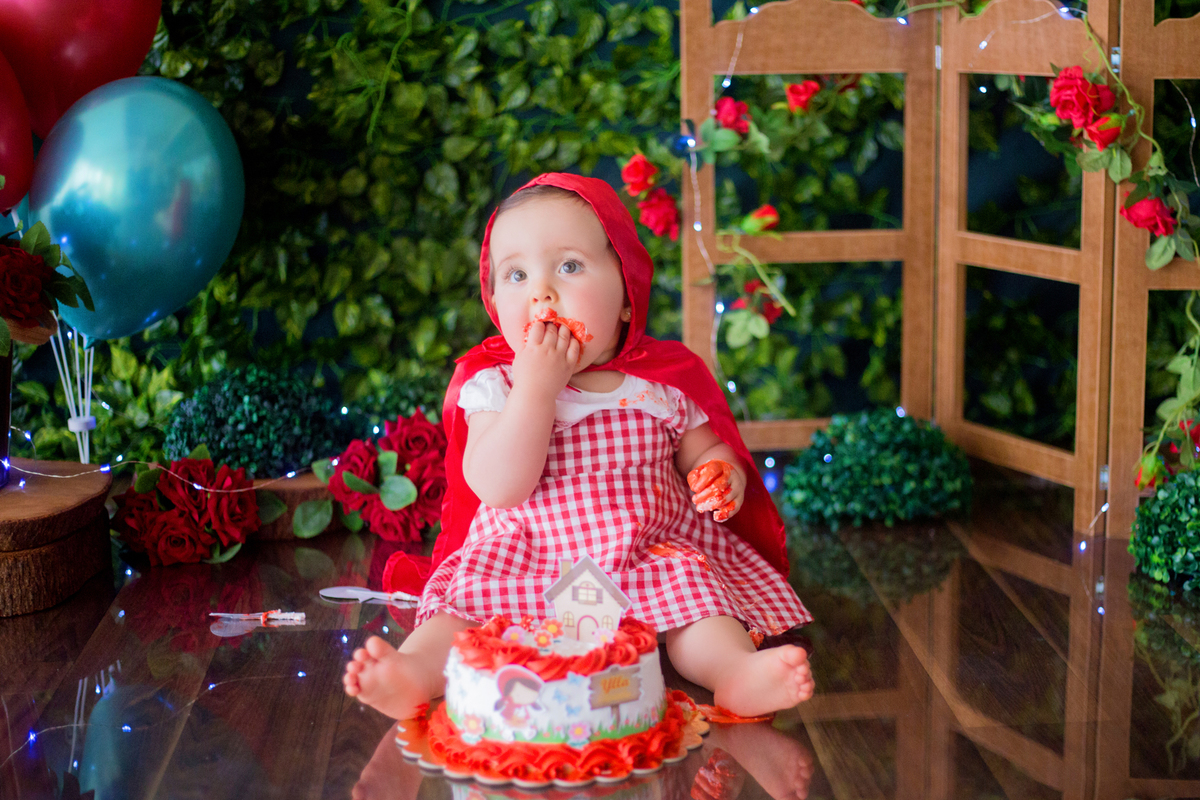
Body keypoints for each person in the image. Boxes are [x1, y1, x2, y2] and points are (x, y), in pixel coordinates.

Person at [343, 173, 813, 720]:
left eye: (569, 266)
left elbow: (706, 450)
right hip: (523, 561)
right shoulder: (495, 387)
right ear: (495, 300)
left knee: (701, 611)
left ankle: (734, 673)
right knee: (457, 620)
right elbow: (500, 486)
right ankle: (412, 675)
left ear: (625, 296)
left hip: (641, 558)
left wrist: (720, 474)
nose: (541, 291)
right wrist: (538, 386)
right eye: (516, 274)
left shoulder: (658, 387)